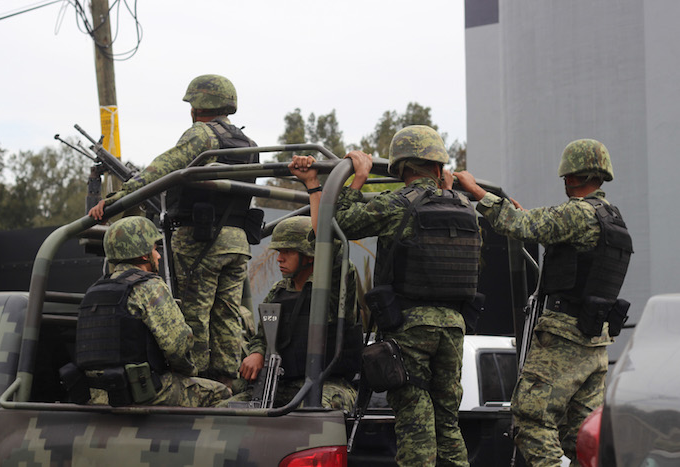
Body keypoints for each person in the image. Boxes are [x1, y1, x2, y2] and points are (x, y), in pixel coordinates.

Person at [290, 125, 480, 466]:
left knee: (416, 424)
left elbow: (337, 226)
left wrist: (358, 179)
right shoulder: (465, 208)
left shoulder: (397, 204)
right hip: (454, 327)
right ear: (438, 168)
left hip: (411, 328)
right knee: (447, 424)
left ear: (400, 167)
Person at [454, 139, 633, 466]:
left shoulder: (577, 213)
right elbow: (551, 234)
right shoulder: (612, 218)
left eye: (566, 176)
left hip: (564, 339)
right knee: (578, 436)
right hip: (594, 343)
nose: (563, 181)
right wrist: (520, 215)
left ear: (574, 176)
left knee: (531, 421)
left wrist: (478, 193)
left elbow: (520, 226)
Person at [89, 74, 261, 390]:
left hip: (201, 239)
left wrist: (114, 200)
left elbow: (162, 168)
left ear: (198, 105)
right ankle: (225, 382)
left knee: (196, 314)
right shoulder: (248, 144)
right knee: (226, 314)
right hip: (237, 241)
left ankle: (197, 385)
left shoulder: (201, 136)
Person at [74, 216, 231, 407]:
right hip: (141, 392)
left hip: (98, 395)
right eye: (155, 249)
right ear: (142, 254)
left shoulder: (93, 291)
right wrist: (190, 371)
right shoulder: (149, 286)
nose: (158, 255)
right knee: (221, 393)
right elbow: (178, 346)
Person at [236, 216, 361, 410]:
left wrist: (313, 188)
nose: (279, 258)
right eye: (279, 252)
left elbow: (334, 253)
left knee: (308, 413)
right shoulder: (278, 291)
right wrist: (257, 353)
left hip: (330, 385)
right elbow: (263, 337)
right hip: (282, 385)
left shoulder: (332, 290)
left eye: (287, 252)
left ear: (310, 254)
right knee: (223, 410)